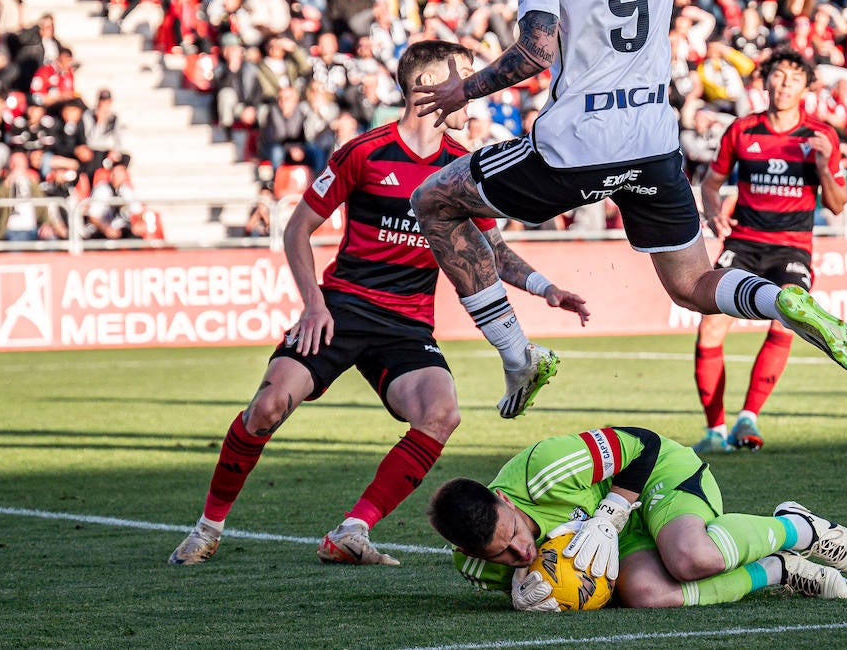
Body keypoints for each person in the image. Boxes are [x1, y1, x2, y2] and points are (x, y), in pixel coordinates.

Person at [411, 0, 847, 426]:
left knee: (435, 201)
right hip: (653, 142)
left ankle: (518, 356)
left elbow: (537, 49)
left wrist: (465, 90)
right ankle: (780, 301)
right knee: (692, 285)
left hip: (577, 143)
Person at [168, 42, 590, 567]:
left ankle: (352, 531)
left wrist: (544, 286)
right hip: (341, 309)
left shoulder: (464, 168)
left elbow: (494, 251)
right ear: (428, 87)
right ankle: (208, 528)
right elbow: (299, 231)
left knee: (441, 414)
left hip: (407, 323)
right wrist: (314, 304)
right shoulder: (364, 151)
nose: (471, 94)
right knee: (268, 408)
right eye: (463, 81)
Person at [427, 426, 847, 610]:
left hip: (655, 477)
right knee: (644, 593)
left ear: (502, 500)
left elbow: (645, 443)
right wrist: (535, 600)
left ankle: (799, 526)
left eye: (515, 534)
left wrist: (611, 511)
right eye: (502, 554)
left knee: (690, 558)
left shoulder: (545, 469)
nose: (521, 551)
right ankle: (780, 569)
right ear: (468, 552)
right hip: (618, 533)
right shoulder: (473, 566)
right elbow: (573, 585)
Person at [692, 50, 847, 454]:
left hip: (791, 249)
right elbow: (711, 184)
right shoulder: (742, 131)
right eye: (778, 76)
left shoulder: (821, 136)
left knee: (787, 319)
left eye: (793, 78)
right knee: (710, 326)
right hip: (742, 245)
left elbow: (836, 203)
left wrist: (824, 162)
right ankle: (715, 431)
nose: (784, 84)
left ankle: (750, 417)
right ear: (766, 82)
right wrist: (713, 215)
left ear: (806, 87)